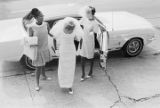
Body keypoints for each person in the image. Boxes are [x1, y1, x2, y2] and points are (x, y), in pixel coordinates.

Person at [50, 17, 83, 94]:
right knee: (62, 67)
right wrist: (56, 50)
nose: (71, 29)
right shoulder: (61, 31)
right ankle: (63, 83)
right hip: (63, 50)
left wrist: (79, 49)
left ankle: (69, 86)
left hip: (71, 50)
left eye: (72, 27)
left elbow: (81, 38)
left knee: (71, 68)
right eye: (70, 27)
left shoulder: (74, 31)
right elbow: (54, 39)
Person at [28, 8, 52, 91]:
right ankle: (37, 84)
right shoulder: (31, 27)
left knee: (43, 63)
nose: (42, 17)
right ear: (36, 18)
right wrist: (32, 51)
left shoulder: (46, 24)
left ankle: (44, 76)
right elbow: (30, 40)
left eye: (43, 15)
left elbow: (50, 33)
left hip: (45, 48)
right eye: (40, 16)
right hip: (37, 50)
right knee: (38, 67)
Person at [79, 6, 100, 81]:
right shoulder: (84, 19)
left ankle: (90, 71)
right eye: (87, 12)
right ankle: (83, 73)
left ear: (92, 13)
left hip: (90, 42)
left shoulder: (95, 23)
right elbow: (79, 26)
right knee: (82, 57)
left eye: (88, 12)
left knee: (91, 57)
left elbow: (94, 33)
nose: (87, 13)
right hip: (83, 40)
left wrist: (89, 31)